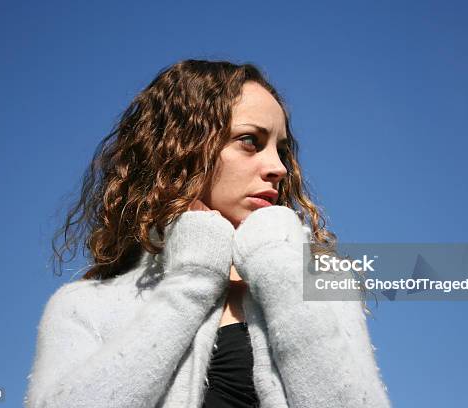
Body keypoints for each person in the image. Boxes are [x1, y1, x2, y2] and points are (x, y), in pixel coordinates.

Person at [24, 59, 391, 408]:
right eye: (250, 140)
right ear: (182, 151)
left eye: (281, 150)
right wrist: (193, 280)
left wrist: (281, 269)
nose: (278, 168)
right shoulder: (84, 307)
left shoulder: (325, 285)